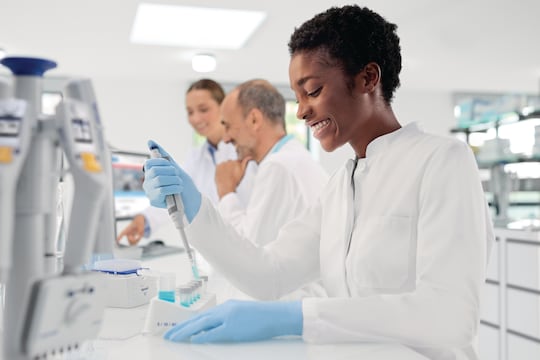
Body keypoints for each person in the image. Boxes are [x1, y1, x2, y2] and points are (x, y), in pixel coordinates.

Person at [143, 5, 494, 360]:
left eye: (312, 91)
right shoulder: (341, 186)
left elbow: (450, 316)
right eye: (297, 97)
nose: (300, 111)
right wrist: (194, 207)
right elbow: (269, 273)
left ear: (368, 78)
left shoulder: (442, 161)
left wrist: (297, 317)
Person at [210, 79, 329, 299]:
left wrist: (226, 192)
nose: (225, 138)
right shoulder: (293, 159)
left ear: (254, 119)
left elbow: (246, 253)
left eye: (227, 125)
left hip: (297, 305)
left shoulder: (278, 167)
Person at [116, 79, 253, 245]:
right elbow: (176, 195)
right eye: (190, 112)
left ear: (222, 107)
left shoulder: (244, 152)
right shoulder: (195, 157)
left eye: (203, 109)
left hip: (245, 245)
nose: (196, 118)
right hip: (214, 249)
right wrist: (144, 220)